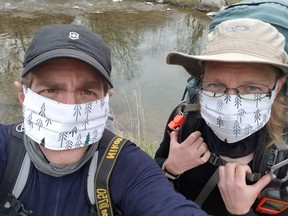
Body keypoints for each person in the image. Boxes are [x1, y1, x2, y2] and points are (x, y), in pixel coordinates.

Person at [0, 24, 211, 216]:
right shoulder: (6, 149)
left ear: (106, 100)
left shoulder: (127, 166)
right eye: (50, 90)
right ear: (23, 97)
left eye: (87, 92)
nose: (69, 108)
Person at [154, 18, 288, 216]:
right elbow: (152, 177)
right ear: (202, 81)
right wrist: (169, 168)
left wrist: (241, 212)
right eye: (216, 85)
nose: (230, 103)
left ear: (277, 87)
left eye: (251, 88)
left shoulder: (284, 152)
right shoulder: (185, 119)